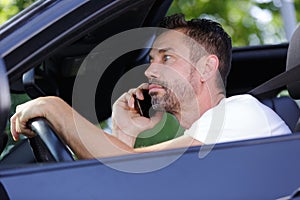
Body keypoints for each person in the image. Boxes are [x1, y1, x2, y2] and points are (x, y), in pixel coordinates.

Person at [10, 14, 291, 159]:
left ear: (207, 67)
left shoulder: (240, 113)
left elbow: (126, 164)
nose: (150, 70)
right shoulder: (202, 141)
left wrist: (53, 106)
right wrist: (124, 133)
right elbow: (128, 183)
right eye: (152, 59)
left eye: (167, 57)